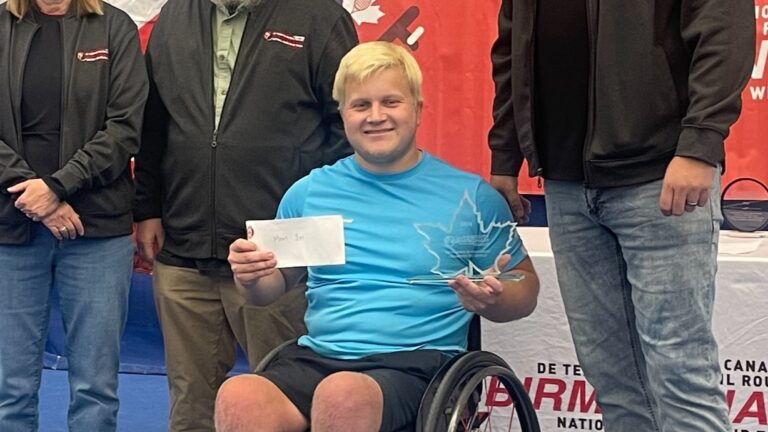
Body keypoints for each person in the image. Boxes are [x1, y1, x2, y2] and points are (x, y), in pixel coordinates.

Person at [214, 41, 540, 432]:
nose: (376, 117)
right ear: (343, 115)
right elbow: (270, 288)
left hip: (422, 365)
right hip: (320, 357)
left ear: (418, 110)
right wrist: (250, 276)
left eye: (391, 102)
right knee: (239, 397)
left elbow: (525, 286)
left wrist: (497, 297)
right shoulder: (309, 193)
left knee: (343, 395)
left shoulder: (471, 198)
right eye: (361, 105)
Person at [488, 0, 754, 430]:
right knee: (614, 382)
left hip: (660, 173)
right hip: (565, 182)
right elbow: (511, 50)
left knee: (682, 376)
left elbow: (725, 30)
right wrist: (505, 155)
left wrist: (700, 144)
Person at [132, 0, 358, 429]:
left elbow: (346, 130)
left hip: (277, 255)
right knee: (191, 405)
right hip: (184, 247)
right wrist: (148, 208)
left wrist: (311, 229)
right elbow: (154, 123)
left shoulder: (319, 17)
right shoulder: (176, 15)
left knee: (283, 402)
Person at [0, 0, 148, 429]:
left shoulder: (113, 27)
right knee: (10, 389)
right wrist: (34, 194)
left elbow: (125, 127)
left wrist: (59, 185)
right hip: (12, 229)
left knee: (95, 389)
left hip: (98, 230)